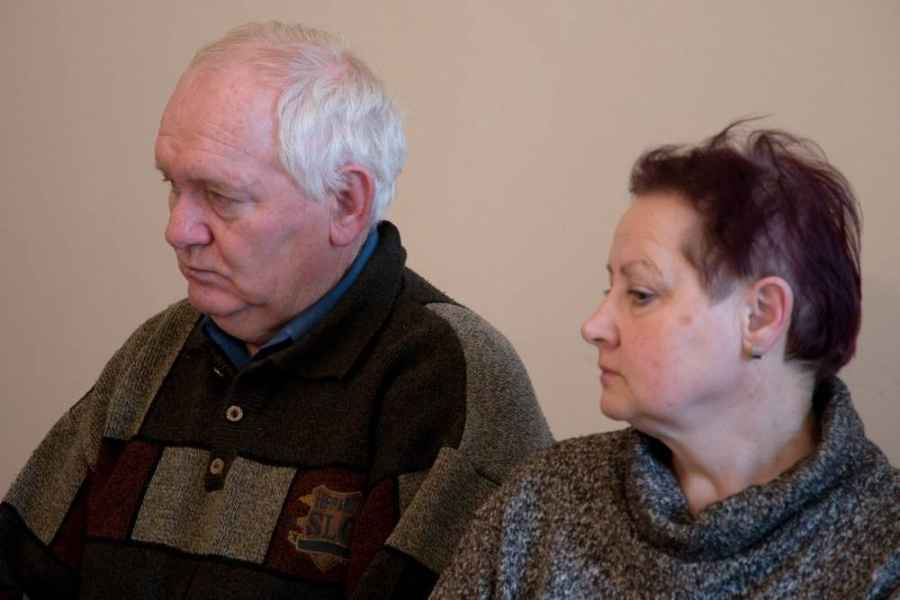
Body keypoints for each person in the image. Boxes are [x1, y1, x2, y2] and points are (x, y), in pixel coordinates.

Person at [0, 22, 552, 599]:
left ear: (346, 202)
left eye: (220, 196)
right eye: (173, 186)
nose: (177, 230)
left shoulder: (446, 379)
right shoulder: (157, 351)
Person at [432, 122, 900, 598]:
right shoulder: (541, 501)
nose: (593, 326)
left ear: (760, 316)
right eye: (609, 289)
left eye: (640, 293)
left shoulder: (884, 552)